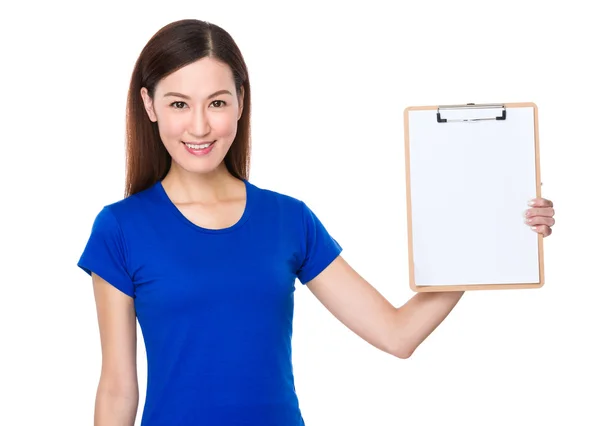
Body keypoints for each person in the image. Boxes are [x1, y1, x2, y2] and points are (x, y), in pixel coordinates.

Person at [77, 18, 557, 426]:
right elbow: (119, 388)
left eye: (217, 102)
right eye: (179, 104)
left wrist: (488, 229)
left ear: (241, 103)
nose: (199, 126)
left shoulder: (288, 219)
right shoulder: (121, 229)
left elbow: (397, 333)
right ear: (149, 105)